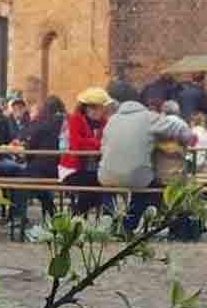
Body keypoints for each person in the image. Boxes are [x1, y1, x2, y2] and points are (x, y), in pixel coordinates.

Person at [99, 83, 193, 231]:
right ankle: (128, 227)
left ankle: (109, 220)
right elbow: (178, 129)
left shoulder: (112, 121)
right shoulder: (149, 118)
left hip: (106, 175)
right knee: (148, 188)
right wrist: (188, 138)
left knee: (109, 185)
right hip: (136, 177)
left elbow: (102, 146)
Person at [59, 87, 111, 214]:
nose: (101, 111)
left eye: (102, 107)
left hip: (95, 168)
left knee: (106, 184)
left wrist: (92, 143)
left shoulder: (105, 122)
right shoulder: (75, 119)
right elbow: (77, 144)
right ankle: (78, 215)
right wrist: (97, 144)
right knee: (95, 185)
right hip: (73, 169)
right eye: (98, 107)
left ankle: (78, 214)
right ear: (87, 108)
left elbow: (107, 142)